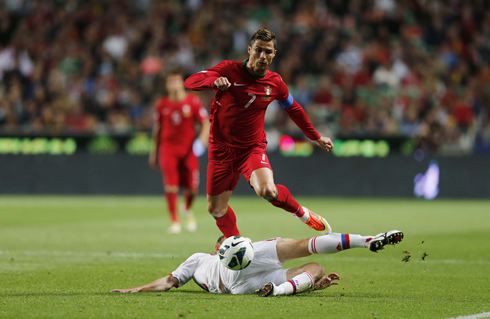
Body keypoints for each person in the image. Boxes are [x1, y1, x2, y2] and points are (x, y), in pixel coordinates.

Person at [183, 28, 335, 238]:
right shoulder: (228, 69)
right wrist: (213, 81)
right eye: (258, 50)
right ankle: (237, 244)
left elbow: (294, 109)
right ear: (249, 49)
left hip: (250, 149)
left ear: (274, 54)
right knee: (216, 209)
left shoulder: (275, 83)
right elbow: (189, 82)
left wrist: (315, 136)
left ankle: (302, 214)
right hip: (220, 149)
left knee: (267, 190)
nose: (262, 56)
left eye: (268, 52)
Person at [111, 230, 403, 296]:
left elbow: (169, 282)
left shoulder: (199, 262)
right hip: (246, 271)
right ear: (217, 247)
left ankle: (280, 291)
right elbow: (169, 281)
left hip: (249, 285)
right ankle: (365, 241)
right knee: (303, 246)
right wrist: (137, 289)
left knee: (316, 270)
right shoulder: (200, 259)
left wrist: (308, 286)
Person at [150, 68, 211, 234]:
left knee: (192, 188)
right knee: (171, 185)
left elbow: (205, 123)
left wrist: (201, 141)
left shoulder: (193, 102)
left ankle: (186, 208)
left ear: (182, 83)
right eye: (170, 82)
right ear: (167, 85)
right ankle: (174, 220)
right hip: (168, 149)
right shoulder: (162, 104)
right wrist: (154, 152)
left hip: (189, 150)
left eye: (176, 81)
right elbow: (157, 130)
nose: (174, 85)